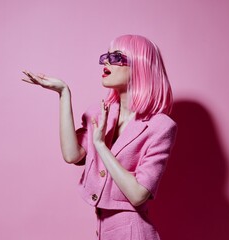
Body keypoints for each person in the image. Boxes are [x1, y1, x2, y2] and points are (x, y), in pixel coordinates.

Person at [22, 34, 177, 240]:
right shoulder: (100, 112)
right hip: (104, 230)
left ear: (139, 66)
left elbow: (138, 195)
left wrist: (100, 145)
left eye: (116, 57)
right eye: (106, 56)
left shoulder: (160, 126)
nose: (106, 61)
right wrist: (63, 93)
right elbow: (72, 155)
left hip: (134, 232)